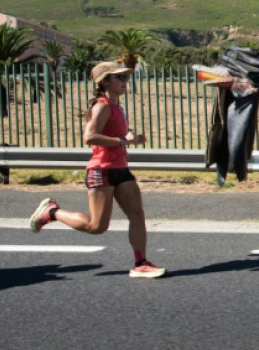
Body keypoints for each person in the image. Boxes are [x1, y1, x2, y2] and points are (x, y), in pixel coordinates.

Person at [29, 61, 166, 279]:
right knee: (97, 226)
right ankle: (52, 212)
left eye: (126, 77)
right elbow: (89, 137)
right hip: (101, 170)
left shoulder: (116, 107)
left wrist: (133, 139)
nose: (125, 81)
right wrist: (123, 139)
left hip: (121, 169)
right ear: (104, 82)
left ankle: (141, 263)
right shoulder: (101, 106)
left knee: (137, 215)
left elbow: (116, 137)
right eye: (119, 77)